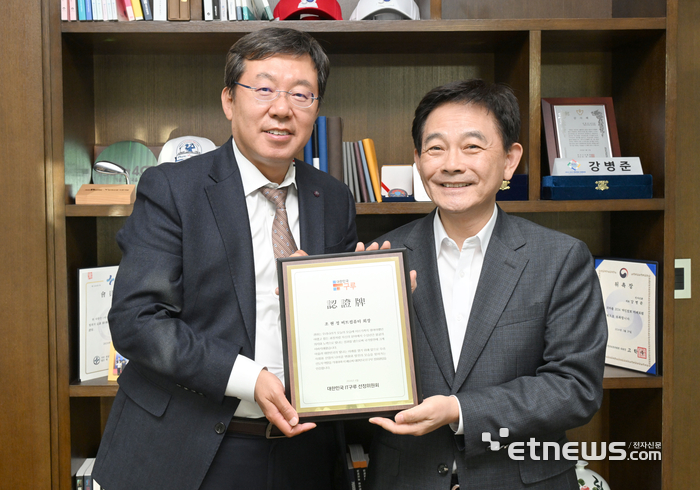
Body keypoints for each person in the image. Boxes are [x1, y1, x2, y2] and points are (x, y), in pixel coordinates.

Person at [92, 27, 357, 490]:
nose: (282, 108)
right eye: (264, 88)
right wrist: (248, 377)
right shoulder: (173, 188)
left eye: (302, 94)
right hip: (187, 447)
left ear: (316, 109)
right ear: (229, 101)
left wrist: (373, 299)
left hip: (304, 450)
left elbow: (334, 325)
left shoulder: (332, 198)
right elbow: (137, 320)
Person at [363, 79, 608, 489]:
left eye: (472, 147)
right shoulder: (382, 256)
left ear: (511, 160)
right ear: (418, 159)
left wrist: (460, 410)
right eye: (435, 148)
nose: (452, 164)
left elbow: (575, 388)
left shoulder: (559, 258)